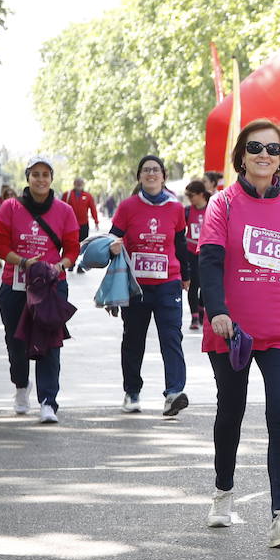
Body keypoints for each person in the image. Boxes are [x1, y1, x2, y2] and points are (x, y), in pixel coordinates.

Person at [199, 119, 280, 548]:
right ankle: (222, 493)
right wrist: (217, 311)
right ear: (241, 155)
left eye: (272, 149)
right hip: (232, 330)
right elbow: (209, 262)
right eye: (255, 147)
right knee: (231, 411)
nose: (264, 155)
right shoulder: (223, 204)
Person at [0, 156, 81, 423]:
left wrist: (59, 266)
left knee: (49, 345)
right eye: (35, 174)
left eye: (45, 174)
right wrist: (23, 262)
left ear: (51, 179)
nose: (40, 179)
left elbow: (72, 248)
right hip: (15, 284)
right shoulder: (11, 207)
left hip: (50, 288)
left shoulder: (64, 210)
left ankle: (48, 401)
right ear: (27, 178)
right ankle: (21, 385)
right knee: (16, 343)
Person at [109, 154, 190, 416]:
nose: (151, 174)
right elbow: (112, 241)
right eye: (146, 170)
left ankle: (174, 393)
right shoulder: (128, 207)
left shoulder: (176, 208)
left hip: (168, 283)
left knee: (171, 337)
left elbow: (180, 244)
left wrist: (187, 275)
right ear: (139, 176)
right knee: (133, 339)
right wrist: (112, 249)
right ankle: (132, 391)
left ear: (164, 176)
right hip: (136, 286)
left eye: (156, 170)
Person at [183, 179, 212, 331]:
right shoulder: (187, 211)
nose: (189, 198)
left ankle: (202, 306)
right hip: (191, 252)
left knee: (206, 283)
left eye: (191, 195)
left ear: (201, 194)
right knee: (193, 284)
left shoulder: (212, 208)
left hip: (208, 252)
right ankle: (194, 316)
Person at [60, 176, 101, 242]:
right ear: (74, 184)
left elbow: (93, 209)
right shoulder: (67, 195)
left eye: (81, 182)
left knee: (83, 244)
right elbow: (61, 210)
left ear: (83, 184)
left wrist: (96, 221)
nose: (79, 184)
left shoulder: (88, 196)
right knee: (70, 244)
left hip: (83, 225)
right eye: (77, 182)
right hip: (70, 224)